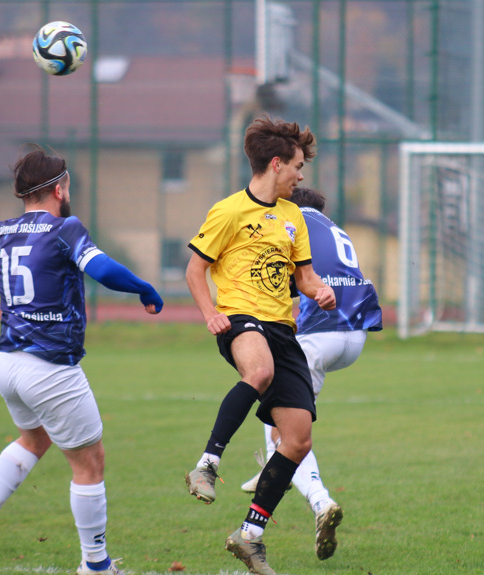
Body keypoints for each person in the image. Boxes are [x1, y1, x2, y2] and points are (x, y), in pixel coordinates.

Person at [0, 145, 164, 575]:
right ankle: (97, 565)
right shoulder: (64, 228)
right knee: (90, 462)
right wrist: (145, 288)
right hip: (48, 368)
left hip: (6, 364)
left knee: (33, 440)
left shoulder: (2, 230)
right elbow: (101, 270)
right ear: (59, 188)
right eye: (67, 183)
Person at [184, 115, 336, 575]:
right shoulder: (229, 211)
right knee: (260, 371)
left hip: (283, 330)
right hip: (240, 320)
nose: (301, 175)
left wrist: (319, 290)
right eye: (296, 166)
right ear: (275, 164)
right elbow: (195, 270)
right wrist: (212, 313)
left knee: (297, 440)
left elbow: (304, 278)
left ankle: (250, 535)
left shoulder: (293, 217)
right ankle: (206, 465)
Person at [239, 186, 383, 560]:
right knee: (276, 406)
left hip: (320, 334)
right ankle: (276, 466)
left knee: (283, 428)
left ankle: (320, 501)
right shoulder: (333, 227)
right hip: (356, 334)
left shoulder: (291, 221)